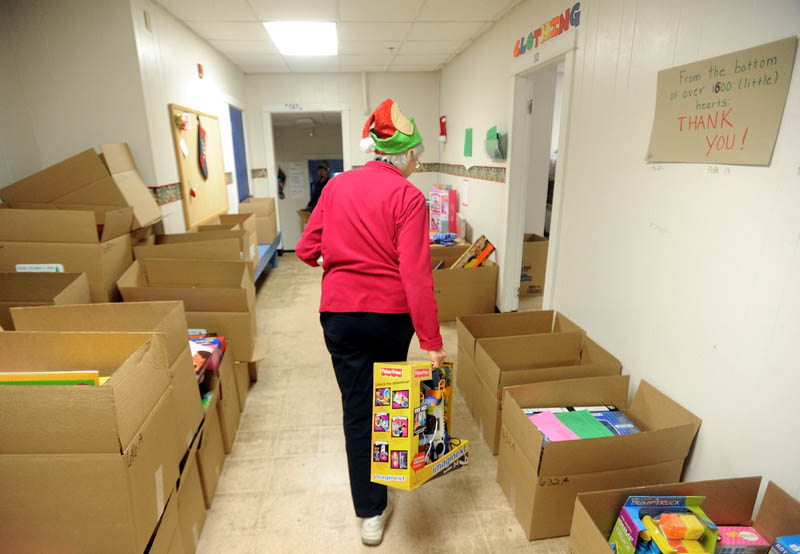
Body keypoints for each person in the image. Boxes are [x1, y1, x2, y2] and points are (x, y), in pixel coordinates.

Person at [296, 98, 446, 546]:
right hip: (388, 320)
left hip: (340, 317)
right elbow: (416, 276)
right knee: (390, 402)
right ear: (404, 156)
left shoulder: (337, 186)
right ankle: (388, 482)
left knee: (357, 410)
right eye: (416, 156)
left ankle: (371, 513)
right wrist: (432, 339)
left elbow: (306, 249)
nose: (417, 164)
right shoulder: (408, 197)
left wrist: (336, 261)